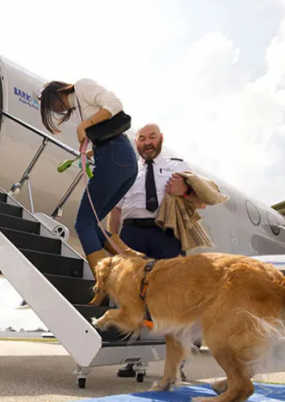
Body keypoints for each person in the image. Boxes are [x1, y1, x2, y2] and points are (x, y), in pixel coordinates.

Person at [107, 123, 207, 377]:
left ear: (161, 138)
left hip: (166, 234)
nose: (147, 142)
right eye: (142, 138)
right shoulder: (127, 169)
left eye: (152, 137)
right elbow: (115, 210)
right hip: (131, 233)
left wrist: (183, 190)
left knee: (173, 299)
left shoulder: (177, 164)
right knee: (132, 298)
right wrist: (115, 243)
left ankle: (176, 364)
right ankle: (132, 359)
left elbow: (201, 201)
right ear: (136, 143)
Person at [38, 79, 140, 280]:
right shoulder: (79, 107)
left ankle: (103, 284)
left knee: (83, 223)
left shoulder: (82, 86)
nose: (56, 110)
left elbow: (115, 105)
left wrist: (85, 125)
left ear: (57, 93)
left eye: (52, 105)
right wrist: (91, 151)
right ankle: (138, 262)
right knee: (94, 224)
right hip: (123, 159)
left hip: (114, 156)